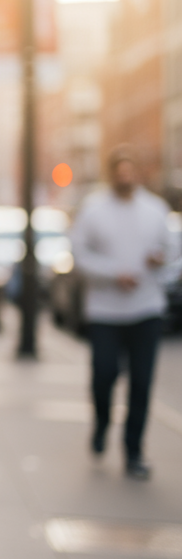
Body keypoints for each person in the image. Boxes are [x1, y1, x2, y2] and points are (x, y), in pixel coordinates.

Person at [71, 148, 178, 480]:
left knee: (141, 383)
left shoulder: (155, 210)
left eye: (131, 172)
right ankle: (102, 422)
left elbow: (173, 255)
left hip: (146, 308)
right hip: (104, 310)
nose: (125, 178)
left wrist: (160, 263)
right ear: (112, 174)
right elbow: (79, 255)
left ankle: (133, 451)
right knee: (104, 374)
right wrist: (113, 274)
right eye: (120, 173)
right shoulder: (93, 209)